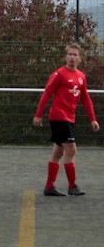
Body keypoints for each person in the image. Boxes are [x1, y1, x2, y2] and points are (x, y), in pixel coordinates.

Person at [33, 43, 100, 197]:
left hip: (69, 118)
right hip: (59, 117)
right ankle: (72, 186)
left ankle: (49, 186)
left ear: (80, 58)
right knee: (71, 150)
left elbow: (85, 98)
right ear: (65, 56)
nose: (72, 57)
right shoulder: (59, 74)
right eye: (70, 54)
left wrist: (93, 119)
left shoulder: (81, 77)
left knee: (58, 152)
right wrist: (38, 114)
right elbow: (46, 94)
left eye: (75, 55)